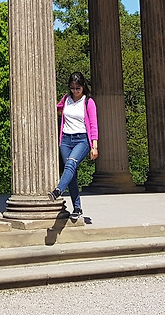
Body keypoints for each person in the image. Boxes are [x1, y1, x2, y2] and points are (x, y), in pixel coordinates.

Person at [51, 72, 97, 220]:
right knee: (71, 175)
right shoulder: (66, 99)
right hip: (66, 140)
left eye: (78, 88)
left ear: (83, 86)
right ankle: (77, 208)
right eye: (72, 88)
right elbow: (55, 108)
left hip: (82, 140)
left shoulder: (88, 101)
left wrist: (94, 146)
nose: (75, 91)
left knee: (71, 164)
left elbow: (93, 125)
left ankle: (58, 190)